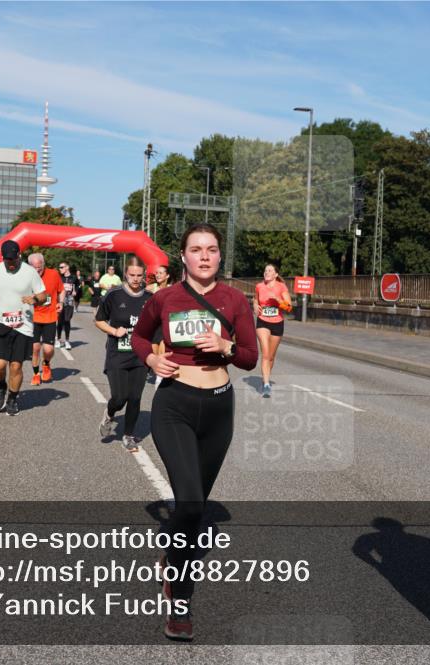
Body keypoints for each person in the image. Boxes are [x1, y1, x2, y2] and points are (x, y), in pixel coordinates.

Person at [132, 223, 258, 641]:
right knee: (187, 503)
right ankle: (180, 602)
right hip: (174, 406)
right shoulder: (164, 299)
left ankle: (173, 557)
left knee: (196, 508)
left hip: (220, 407)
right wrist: (151, 361)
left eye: (212, 250)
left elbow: (249, 359)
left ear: (220, 257)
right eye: (196, 249)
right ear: (182, 257)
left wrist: (225, 348)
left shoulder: (235, 299)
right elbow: (138, 337)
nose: (204, 256)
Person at [0, 240, 47, 416]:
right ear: (3, 257)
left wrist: (35, 299)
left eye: (13, 260)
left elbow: (42, 293)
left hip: (23, 325)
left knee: (16, 366)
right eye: (7, 260)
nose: (10, 263)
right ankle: (1, 387)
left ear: (19, 256)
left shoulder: (30, 272)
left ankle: (12, 397)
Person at [95, 257, 153, 452]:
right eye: (132, 275)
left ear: (144, 275)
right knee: (119, 397)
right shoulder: (114, 295)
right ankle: (110, 414)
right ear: (125, 274)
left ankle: (128, 435)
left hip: (140, 355)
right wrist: (113, 331)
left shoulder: (149, 298)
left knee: (135, 397)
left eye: (139, 275)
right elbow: (99, 320)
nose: (136, 279)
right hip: (117, 353)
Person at [253, 263, 292, 397]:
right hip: (262, 321)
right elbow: (255, 299)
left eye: (269, 270)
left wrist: (278, 300)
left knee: (271, 357)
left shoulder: (281, 287)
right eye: (265, 270)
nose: (266, 272)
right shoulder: (259, 286)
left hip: (277, 323)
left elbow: (288, 307)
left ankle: (266, 378)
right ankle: (266, 384)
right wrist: (255, 305)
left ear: (275, 274)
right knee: (265, 354)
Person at [27, 253, 64, 386]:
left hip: (49, 317)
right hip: (33, 317)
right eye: (34, 267)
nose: (37, 270)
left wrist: (61, 302)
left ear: (43, 264)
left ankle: (46, 363)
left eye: (39, 266)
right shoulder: (26, 276)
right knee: (35, 348)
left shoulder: (53, 274)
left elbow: (62, 290)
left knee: (48, 349)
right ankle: (36, 374)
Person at [147, 264, 173, 386]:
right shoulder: (151, 288)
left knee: (163, 347)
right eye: (157, 273)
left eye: (161, 273)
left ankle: (160, 378)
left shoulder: (172, 289)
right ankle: (157, 371)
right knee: (154, 350)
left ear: (167, 275)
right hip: (153, 323)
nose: (158, 275)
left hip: (166, 323)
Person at [56, 262, 81, 350]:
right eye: (59, 267)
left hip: (69, 301)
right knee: (59, 321)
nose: (60, 269)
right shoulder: (59, 277)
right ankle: (58, 339)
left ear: (67, 267)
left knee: (67, 320)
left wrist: (76, 291)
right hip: (60, 301)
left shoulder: (73, 277)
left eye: (61, 267)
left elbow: (78, 285)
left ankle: (67, 341)